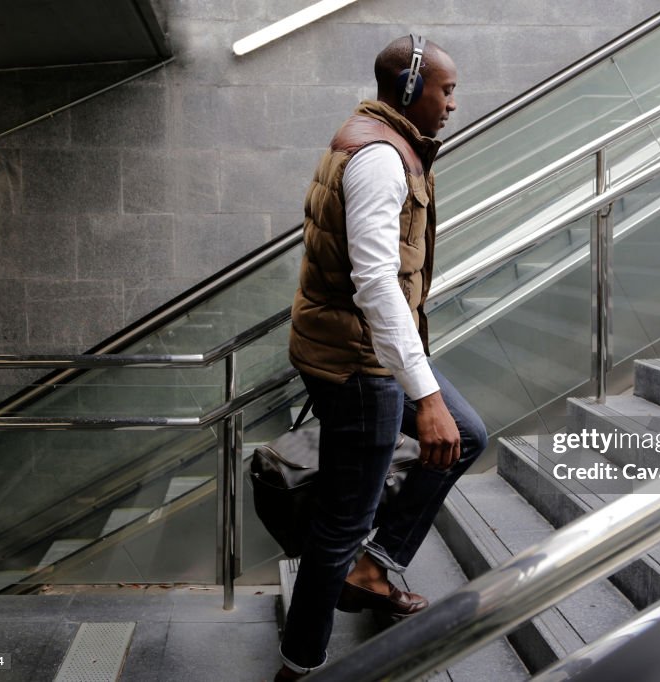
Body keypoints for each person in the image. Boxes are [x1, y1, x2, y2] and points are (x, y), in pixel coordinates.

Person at [276, 35, 487, 680]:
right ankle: (301, 666)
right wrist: (424, 399)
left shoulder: (377, 140)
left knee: (468, 436)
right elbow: (376, 285)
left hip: (359, 351)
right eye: (445, 89)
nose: (453, 102)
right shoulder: (380, 160)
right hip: (361, 365)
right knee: (341, 523)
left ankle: (375, 566)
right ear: (409, 89)